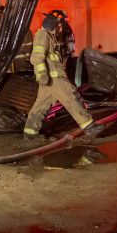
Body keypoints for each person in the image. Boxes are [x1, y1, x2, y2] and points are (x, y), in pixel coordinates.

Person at [23, 11, 105, 141]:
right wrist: (43, 74)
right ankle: (89, 126)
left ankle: (30, 133)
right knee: (71, 97)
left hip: (50, 79)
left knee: (40, 105)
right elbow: (37, 57)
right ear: (53, 25)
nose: (60, 28)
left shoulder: (49, 36)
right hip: (54, 78)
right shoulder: (43, 36)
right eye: (59, 25)